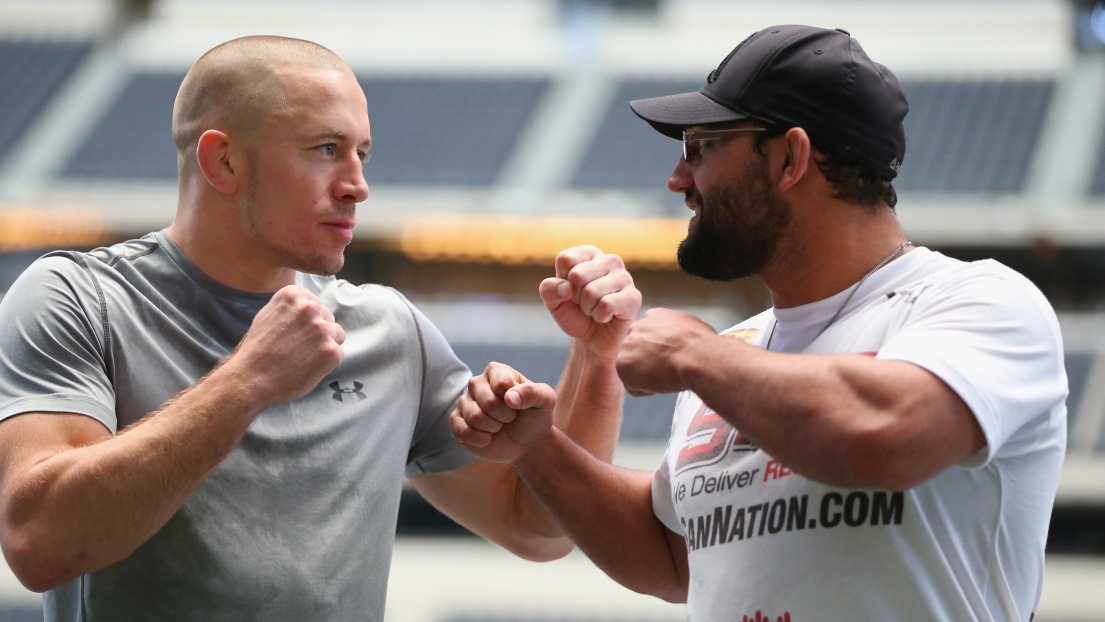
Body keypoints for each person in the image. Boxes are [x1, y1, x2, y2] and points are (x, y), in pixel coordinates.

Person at [0, 36, 641, 621]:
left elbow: (539, 527)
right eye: (326, 149)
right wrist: (249, 379)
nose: (359, 186)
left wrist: (596, 355)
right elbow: (40, 543)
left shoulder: (390, 330)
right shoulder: (80, 298)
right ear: (222, 163)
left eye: (362, 153)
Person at [451, 24, 1068, 621]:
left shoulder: (979, 300)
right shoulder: (738, 351)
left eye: (701, 147)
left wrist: (697, 355)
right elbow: (673, 557)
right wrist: (538, 449)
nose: (678, 179)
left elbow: (886, 435)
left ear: (790, 157)